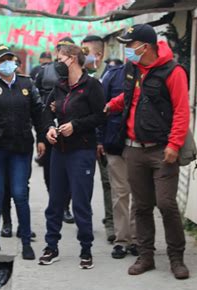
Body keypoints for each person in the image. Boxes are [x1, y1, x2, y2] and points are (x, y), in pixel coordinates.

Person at [104, 24, 190, 279]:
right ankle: (146, 257)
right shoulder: (133, 68)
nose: (127, 50)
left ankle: (176, 259)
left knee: (166, 204)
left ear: (146, 46)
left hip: (162, 150)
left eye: (130, 45)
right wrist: (112, 104)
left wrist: (174, 145)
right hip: (133, 150)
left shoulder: (173, 72)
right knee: (141, 206)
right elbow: (131, 98)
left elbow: (182, 111)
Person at [40, 44, 106, 269]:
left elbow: (100, 116)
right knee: (55, 201)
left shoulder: (92, 86)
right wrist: (49, 127)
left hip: (82, 151)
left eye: (60, 59)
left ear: (73, 59)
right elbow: (47, 111)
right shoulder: (58, 86)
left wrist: (75, 126)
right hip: (59, 151)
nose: (57, 63)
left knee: (80, 203)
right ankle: (51, 246)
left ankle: (86, 250)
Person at [0, 45, 44, 260]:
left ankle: (25, 241)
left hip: (20, 148)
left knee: (20, 194)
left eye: (10, 59)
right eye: (2, 60)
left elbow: (38, 112)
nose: (7, 63)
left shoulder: (26, 83)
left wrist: (42, 136)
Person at [101, 58, 139, 258]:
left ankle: (136, 238)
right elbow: (102, 108)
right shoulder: (112, 75)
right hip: (115, 143)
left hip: (140, 143)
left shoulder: (149, 75)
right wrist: (100, 140)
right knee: (120, 192)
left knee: (139, 194)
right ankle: (121, 239)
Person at [35, 37, 76, 224]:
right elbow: (35, 102)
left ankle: (65, 205)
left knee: (69, 170)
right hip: (48, 127)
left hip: (70, 129)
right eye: (61, 49)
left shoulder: (80, 76)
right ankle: (55, 200)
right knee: (48, 168)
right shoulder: (44, 73)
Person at [81, 35, 115, 243]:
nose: (81, 57)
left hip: (104, 139)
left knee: (108, 181)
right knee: (82, 181)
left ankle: (111, 223)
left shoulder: (111, 76)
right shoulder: (78, 76)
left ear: (98, 55)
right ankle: (85, 223)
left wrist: (102, 139)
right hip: (82, 138)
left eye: (85, 53)